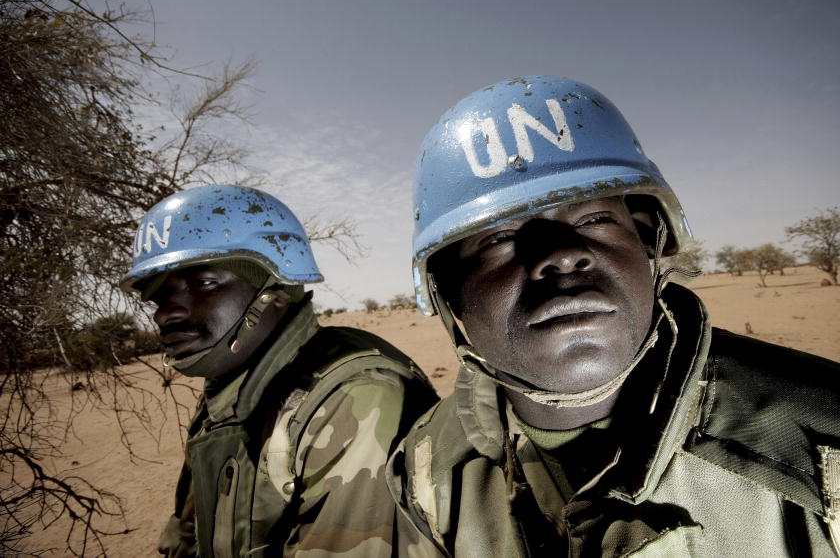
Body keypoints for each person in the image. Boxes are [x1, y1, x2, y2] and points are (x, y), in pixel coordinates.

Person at [388, 76, 840, 556]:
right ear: (450, 295)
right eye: (498, 238)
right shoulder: (426, 467)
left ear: (649, 240)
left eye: (593, 219)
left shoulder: (824, 446)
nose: (561, 255)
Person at [120, 185, 437, 557]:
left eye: (202, 284)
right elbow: (190, 532)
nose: (165, 313)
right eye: (160, 296)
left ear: (277, 291)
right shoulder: (229, 388)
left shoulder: (356, 398)